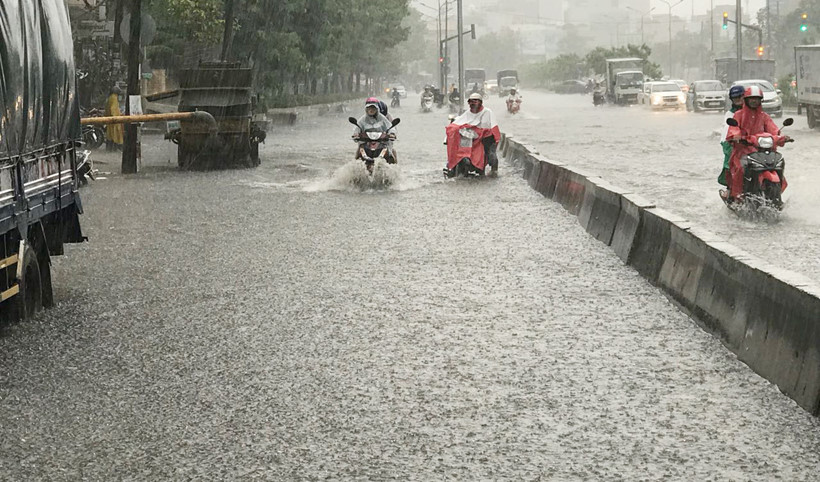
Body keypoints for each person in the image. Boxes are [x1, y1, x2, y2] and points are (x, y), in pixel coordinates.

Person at [725, 85, 790, 201]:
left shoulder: (764, 116)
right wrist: (736, 135)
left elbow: (773, 129)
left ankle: (777, 193)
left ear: (761, 100)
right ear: (746, 100)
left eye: (757, 99)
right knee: (740, 168)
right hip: (744, 150)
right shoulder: (738, 115)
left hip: (762, 150)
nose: (754, 101)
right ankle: (737, 196)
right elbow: (733, 128)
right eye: (752, 99)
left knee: (779, 162)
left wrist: (781, 137)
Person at [448, 92, 501, 176]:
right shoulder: (468, 113)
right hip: (472, 137)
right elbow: (459, 122)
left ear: (480, 102)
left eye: (475, 101)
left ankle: (494, 171)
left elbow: (488, 127)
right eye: (471, 102)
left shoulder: (487, 112)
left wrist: (480, 131)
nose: (473, 104)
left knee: (491, 154)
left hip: (487, 138)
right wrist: (453, 127)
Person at [718, 85, 746, 192]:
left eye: (741, 97)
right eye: (736, 98)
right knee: (733, 164)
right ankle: (731, 189)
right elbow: (728, 131)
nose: (739, 100)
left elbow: (768, 126)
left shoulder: (757, 113)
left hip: (755, 144)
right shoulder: (730, 115)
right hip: (735, 144)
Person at [353, 98, 397, 163]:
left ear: (377, 109)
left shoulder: (382, 118)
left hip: (381, 142)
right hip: (366, 143)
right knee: (358, 154)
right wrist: (356, 134)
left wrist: (392, 134)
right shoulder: (362, 119)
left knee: (391, 155)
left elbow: (390, 127)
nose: (371, 110)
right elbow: (357, 128)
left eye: (373, 108)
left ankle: (393, 168)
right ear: (366, 109)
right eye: (369, 108)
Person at [104, 87, 124, 151]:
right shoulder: (114, 98)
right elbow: (113, 109)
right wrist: (116, 117)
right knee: (115, 135)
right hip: (114, 120)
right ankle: (113, 148)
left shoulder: (110, 97)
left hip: (109, 119)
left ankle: (109, 148)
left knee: (109, 134)